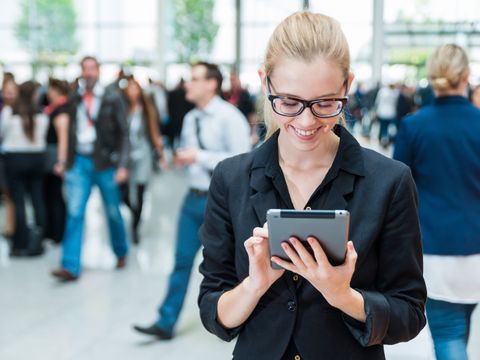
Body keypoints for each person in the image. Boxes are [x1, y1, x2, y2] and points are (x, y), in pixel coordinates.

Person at [197, 12, 427, 360]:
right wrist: (254, 285)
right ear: (265, 83)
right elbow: (213, 312)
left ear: (347, 86)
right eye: (289, 102)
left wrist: (342, 296)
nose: (306, 121)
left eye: (325, 103)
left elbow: (409, 314)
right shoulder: (231, 179)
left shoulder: (389, 182)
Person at [133, 61, 251, 339]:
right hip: (193, 198)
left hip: (223, 203)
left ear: (212, 84)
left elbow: (243, 161)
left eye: (195, 79)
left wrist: (199, 157)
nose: (188, 84)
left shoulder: (229, 117)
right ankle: (165, 321)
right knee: (181, 260)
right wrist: (182, 160)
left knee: (232, 266)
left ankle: (237, 320)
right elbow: (191, 155)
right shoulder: (190, 118)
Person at [394, 43, 480, 360]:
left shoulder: (414, 126)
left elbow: (399, 191)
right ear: (466, 75)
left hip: (434, 248)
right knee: (461, 329)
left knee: (448, 334)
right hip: (476, 247)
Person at [51, 56, 130, 281]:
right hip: (79, 162)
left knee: (113, 212)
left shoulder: (112, 97)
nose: (88, 73)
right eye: (84, 69)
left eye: (92, 68)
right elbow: (68, 130)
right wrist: (63, 160)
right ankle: (70, 265)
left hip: (105, 163)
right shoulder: (74, 97)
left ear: (99, 71)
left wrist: (123, 165)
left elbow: (124, 132)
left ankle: (121, 251)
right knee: (75, 212)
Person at [1, 81, 48, 256]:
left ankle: (21, 242)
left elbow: (2, 133)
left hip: (15, 159)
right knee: (37, 199)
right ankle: (38, 239)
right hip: (36, 159)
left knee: (18, 201)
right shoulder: (42, 113)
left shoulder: (9, 112)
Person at [121, 77, 164, 244]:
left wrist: (161, 155)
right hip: (126, 157)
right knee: (122, 192)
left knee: (139, 192)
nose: (132, 92)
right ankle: (133, 211)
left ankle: (135, 227)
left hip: (143, 156)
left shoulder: (146, 109)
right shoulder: (123, 109)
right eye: (129, 88)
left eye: (135, 88)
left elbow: (154, 133)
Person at [43, 78, 71, 244]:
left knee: (55, 195)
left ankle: (58, 232)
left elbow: (63, 137)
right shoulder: (56, 108)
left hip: (55, 156)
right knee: (52, 194)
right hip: (52, 155)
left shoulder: (61, 110)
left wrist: (61, 162)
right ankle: (54, 230)